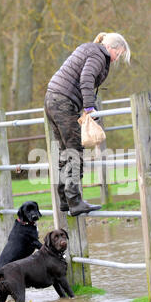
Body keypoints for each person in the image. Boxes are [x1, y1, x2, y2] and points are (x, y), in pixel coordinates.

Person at [44, 32, 131, 217]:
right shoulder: (100, 55)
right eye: (119, 54)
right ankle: (74, 201)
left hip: (52, 98)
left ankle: (65, 200)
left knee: (64, 152)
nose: (116, 59)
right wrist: (90, 108)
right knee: (75, 151)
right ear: (111, 48)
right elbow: (86, 78)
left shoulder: (89, 49)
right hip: (64, 102)